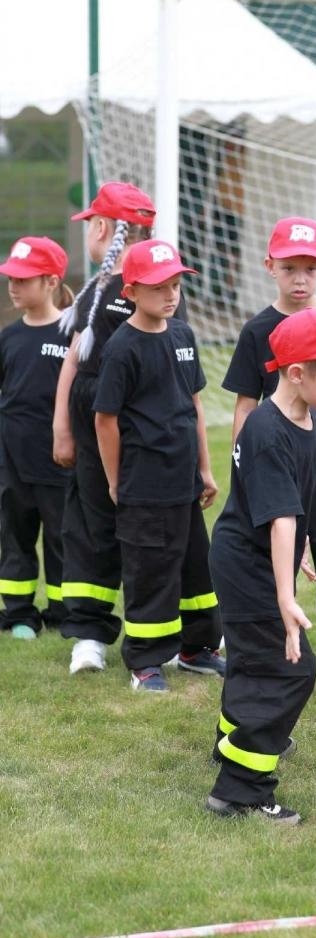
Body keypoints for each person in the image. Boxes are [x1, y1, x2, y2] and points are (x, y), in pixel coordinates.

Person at [206, 308, 316, 824]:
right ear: (297, 373)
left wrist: (299, 546)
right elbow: (281, 518)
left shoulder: (305, 417)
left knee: (252, 661)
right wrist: (285, 598)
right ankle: (240, 790)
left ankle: (232, 743)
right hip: (247, 564)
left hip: (256, 554)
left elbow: (287, 507)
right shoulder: (267, 431)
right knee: (291, 669)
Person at [222, 217, 316, 692]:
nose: (300, 278)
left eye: (310, 268)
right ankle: (266, 645)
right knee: (277, 554)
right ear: (270, 267)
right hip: (280, 463)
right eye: (290, 268)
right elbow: (246, 405)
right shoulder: (258, 330)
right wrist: (243, 470)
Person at [93, 239, 222, 692]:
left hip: (185, 481)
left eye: (175, 285)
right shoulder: (121, 348)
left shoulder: (183, 335)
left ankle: (197, 648)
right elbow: (105, 419)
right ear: (130, 292)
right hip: (144, 485)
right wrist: (115, 481)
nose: (170, 295)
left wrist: (205, 470)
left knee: (196, 568)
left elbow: (194, 404)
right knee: (150, 571)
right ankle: (146, 661)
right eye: (158, 287)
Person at [52, 181, 159, 674]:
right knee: (91, 524)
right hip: (92, 425)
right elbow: (74, 360)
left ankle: (170, 634)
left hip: (139, 428)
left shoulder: (153, 290)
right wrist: (62, 425)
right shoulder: (95, 291)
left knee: (145, 529)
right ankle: (89, 634)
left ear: (101, 228)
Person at [0, 237, 72, 638]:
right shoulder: (8, 338)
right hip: (12, 462)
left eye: (23, 279)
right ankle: (19, 613)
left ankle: (62, 611)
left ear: (51, 281)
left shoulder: (71, 335)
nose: (13, 286)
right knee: (15, 537)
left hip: (58, 463)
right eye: (11, 278)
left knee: (62, 538)